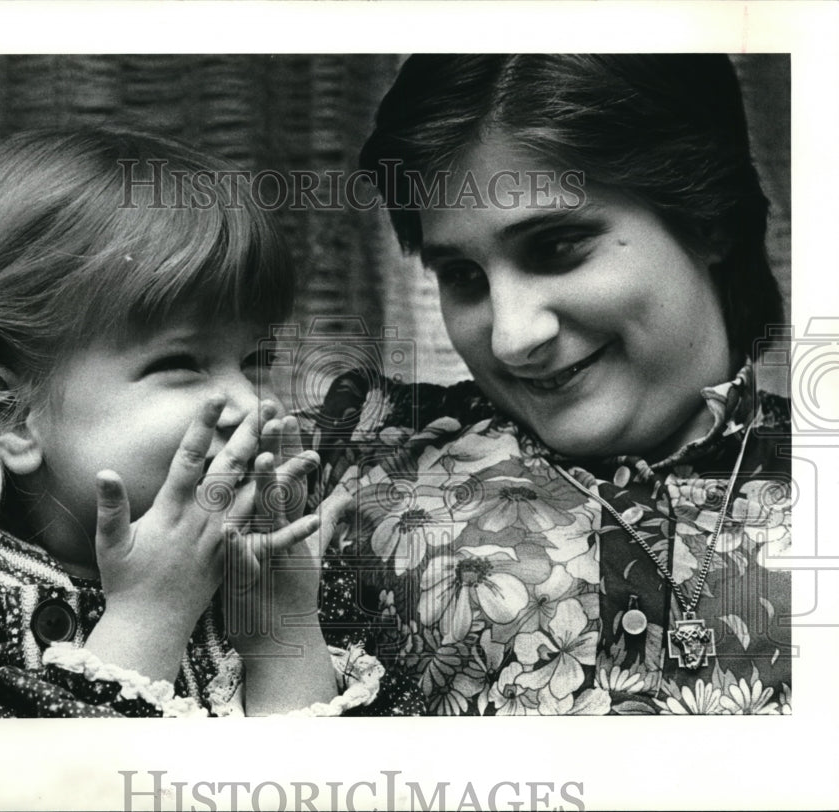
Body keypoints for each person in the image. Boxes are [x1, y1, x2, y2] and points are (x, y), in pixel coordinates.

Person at [308, 54, 791, 715]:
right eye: (463, 277)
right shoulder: (353, 454)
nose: (512, 338)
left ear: (709, 216)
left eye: (555, 247)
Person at [0, 128, 413, 718]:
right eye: (180, 363)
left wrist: (280, 632)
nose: (248, 402)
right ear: (11, 418)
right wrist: (148, 618)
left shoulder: (287, 570)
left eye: (253, 363)